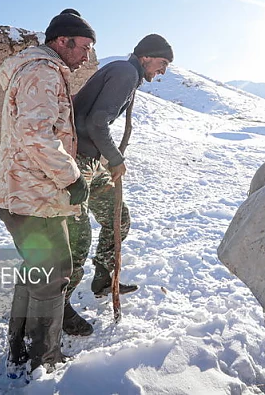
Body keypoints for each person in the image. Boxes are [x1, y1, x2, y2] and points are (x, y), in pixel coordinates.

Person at [0, 8, 94, 378]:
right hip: (34, 195)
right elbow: (38, 133)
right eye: (83, 47)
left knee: (37, 270)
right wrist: (71, 177)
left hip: (24, 193)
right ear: (61, 41)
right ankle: (43, 359)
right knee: (52, 274)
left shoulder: (35, 70)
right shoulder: (42, 73)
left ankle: (19, 351)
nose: (86, 56)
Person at [62, 34, 174, 336]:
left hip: (92, 160)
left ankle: (103, 276)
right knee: (79, 236)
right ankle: (58, 305)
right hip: (80, 161)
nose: (162, 71)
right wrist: (114, 158)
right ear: (146, 57)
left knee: (117, 217)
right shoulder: (125, 73)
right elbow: (97, 122)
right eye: (162, 63)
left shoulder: (128, 74)